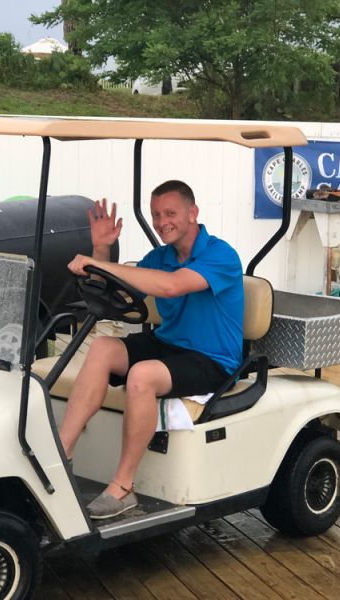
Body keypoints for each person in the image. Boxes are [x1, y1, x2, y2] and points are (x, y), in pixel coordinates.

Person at [60, 180, 244, 519]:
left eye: (170, 213)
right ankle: (61, 454)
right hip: (168, 344)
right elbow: (113, 292)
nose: (161, 222)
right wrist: (100, 251)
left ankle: (123, 487)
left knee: (142, 375)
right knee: (102, 347)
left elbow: (171, 287)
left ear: (193, 213)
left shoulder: (221, 255)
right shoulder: (160, 257)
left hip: (212, 360)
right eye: (156, 215)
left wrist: (97, 264)